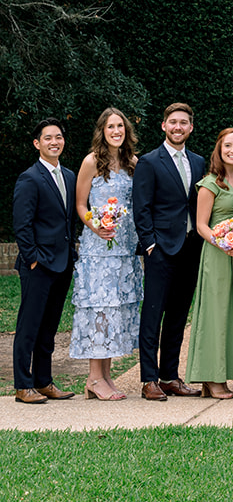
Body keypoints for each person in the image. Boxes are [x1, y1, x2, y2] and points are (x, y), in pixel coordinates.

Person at [132, 102, 205, 400]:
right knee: (153, 313)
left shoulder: (199, 162)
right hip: (160, 248)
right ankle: (149, 379)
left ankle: (170, 376)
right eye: (173, 122)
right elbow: (142, 207)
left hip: (190, 248)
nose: (178, 127)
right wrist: (150, 244)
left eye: (184, 123)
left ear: (190, 127)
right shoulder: (149, 162)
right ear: (164, 125)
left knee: (177, 314)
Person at [70, 107, 141, 400]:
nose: (116, 132)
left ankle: (106, 377)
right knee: (99, 310)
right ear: (102, 131)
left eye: (120, 127)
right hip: (98, 251)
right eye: (111, 127)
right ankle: (94, 377)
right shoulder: (91, 163)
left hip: (124, 249)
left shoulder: (132, 162)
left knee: (115, 312)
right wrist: (96, 226)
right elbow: (80, 204)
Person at [12, 120, 78, 404]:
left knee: (49, 327)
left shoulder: (70, 176)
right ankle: (22, 385)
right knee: (29, 326)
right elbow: (22, 224)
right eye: (48, 138)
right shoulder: (30, 178)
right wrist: (33, 259)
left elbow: (69, 219)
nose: (55, 141)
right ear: (37, 143)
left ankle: (43, 381)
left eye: (59, 137)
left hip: (63, 263)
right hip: (38, 265)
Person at [185, 127, 233, 399]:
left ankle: (229, 372)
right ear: (219, 149)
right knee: (216, 315)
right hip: (218, 255)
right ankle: (211, 377)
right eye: (228, 146)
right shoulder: (210, 183)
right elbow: (201, 226)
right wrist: (223, 243)